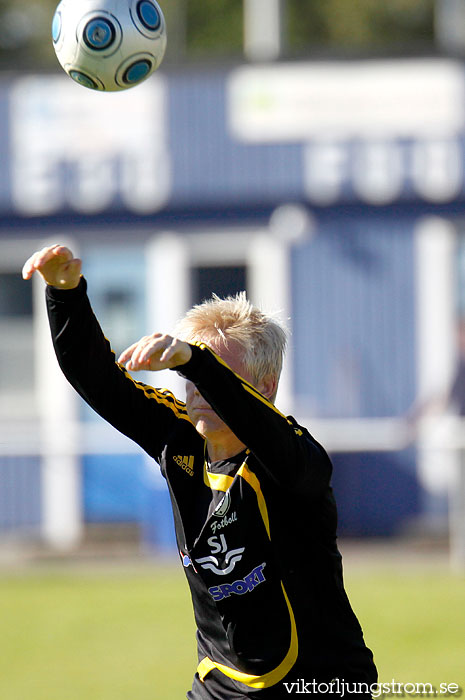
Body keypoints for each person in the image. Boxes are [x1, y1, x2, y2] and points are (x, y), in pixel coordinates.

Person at [23, 244, 377, 699]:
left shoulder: (293, 455)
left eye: (214, 376)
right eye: (188, 378)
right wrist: (65, 292)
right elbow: (99, 381)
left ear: (265, 386)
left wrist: (196, 361)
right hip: (221, 683)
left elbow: (278, 446)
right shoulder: (180, 439)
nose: (197, 391)